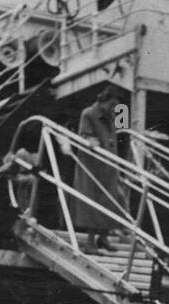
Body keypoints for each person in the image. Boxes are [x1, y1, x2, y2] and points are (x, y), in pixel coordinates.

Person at [71, 85, 124, 251]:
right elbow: (85, 135)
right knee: (92, 203)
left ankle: (104, 238)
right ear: (103, 101)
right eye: (111, 105)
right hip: (92, 167)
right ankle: (90, 241)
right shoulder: (88, 113)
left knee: (112, 201)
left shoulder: (111, 117)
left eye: (116, 106)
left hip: (109, 166)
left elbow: (116, 139)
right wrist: (92, 141)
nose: (113, 109)